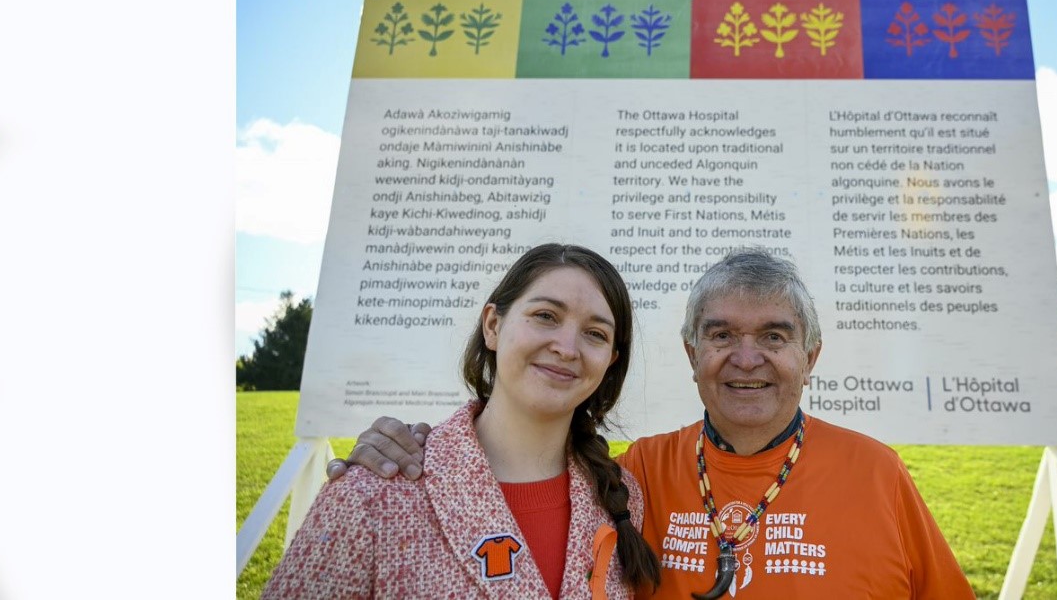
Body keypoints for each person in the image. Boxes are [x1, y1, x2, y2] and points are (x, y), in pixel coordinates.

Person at [332, 247, 977, 599]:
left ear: (810, 357)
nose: (745, 358)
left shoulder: (876, 471)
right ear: (693, 354)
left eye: (774, 336)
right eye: (721, 334)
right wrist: (401, 452)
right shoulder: (633, 475)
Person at [265, 244, 660, 599]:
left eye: (594, 333)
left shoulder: (622, 498)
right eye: (545, 315)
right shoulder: (371, 494)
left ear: (609, 361)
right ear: (493, 325)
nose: (567, 347)